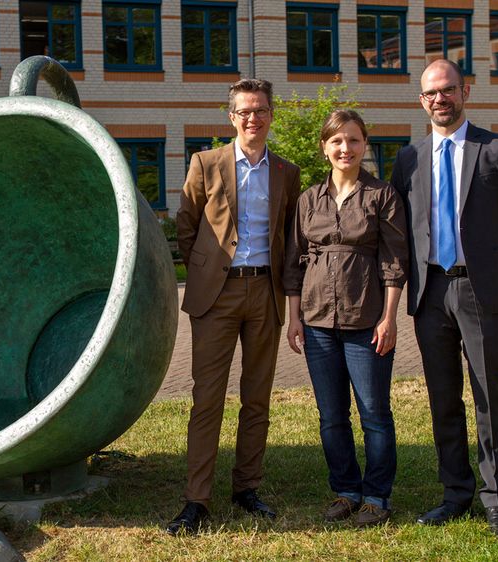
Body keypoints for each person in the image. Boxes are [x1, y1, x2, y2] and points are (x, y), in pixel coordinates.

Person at [390, 59, 498, 536]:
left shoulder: (497, 149)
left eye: (448, 89)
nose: (440, 99)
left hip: (479, 289)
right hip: (430, 292)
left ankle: (497, 499)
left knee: (489, 395)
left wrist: (490, 271)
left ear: (465, 91)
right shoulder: (408, 158)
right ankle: (455, 492)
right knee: (443, 397)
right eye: (431, 93)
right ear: (421, 101)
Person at [167, 78, 301, 535]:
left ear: (270, 115)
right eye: (244, 111)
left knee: (257, 398)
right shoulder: (206, 162)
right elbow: (187, 225)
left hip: (265, 292)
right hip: (216, 297)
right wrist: (205, 273)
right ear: (231, 118)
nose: (252, 118)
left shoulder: (287, 171)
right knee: (207, 399)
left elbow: (287, 231)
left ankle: (247, 488)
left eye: (260, 109)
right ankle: (197, 500)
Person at [284, 109, 408, 527]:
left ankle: (376, 496)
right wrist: (294, 317)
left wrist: (388, 317)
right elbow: (294, 262)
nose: (345, 148)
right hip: (317, 322)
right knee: (331, 414)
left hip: (366, 321)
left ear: (364, 145)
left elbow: (394, 260)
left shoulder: (382, 196)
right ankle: (346, 490)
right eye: (337, 141)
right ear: (325, 147)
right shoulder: (308, 199)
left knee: (374, 412)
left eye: (353, 140)